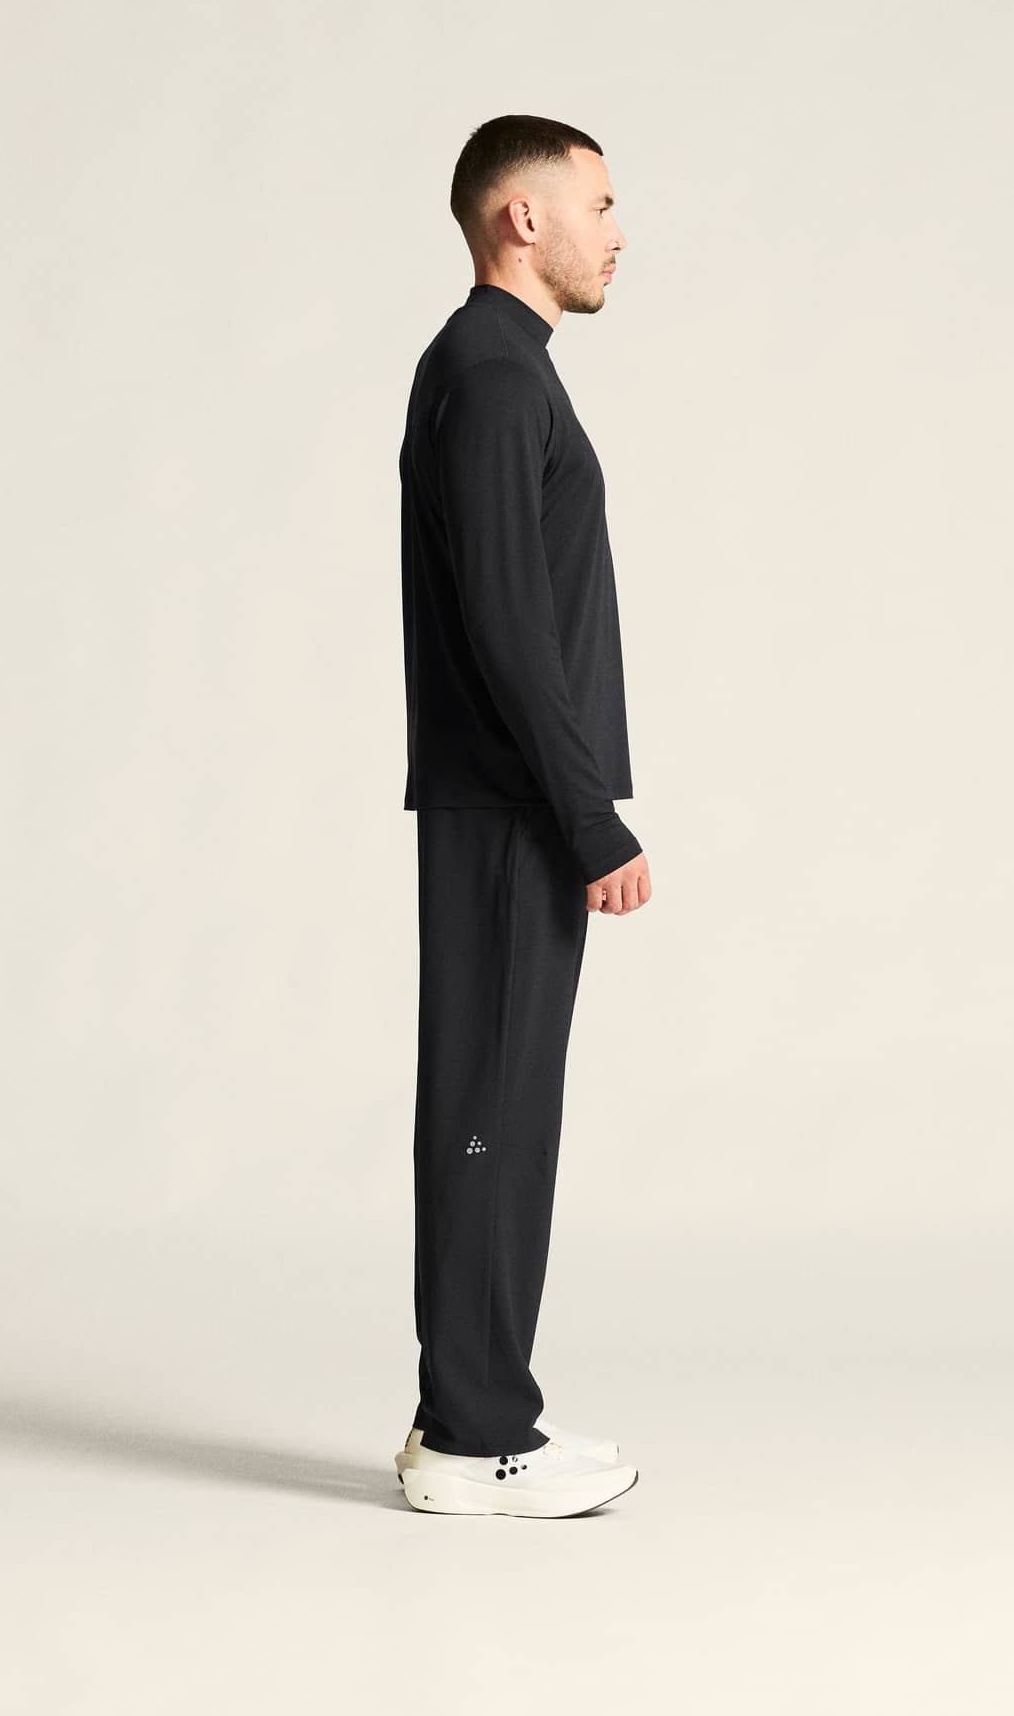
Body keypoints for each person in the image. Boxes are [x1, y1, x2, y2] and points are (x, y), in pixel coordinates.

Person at [394, 114, 649, 1518]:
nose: (619, 232)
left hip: (510, 803)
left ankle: (477, 1411)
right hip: (511, 808)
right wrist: (589, 818)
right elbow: (506, 627)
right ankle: (474, 1436)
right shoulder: (492, 374)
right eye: (598, 204)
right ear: (522, 218)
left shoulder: (501, 368)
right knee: (490, 1107)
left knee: (502, 1107)